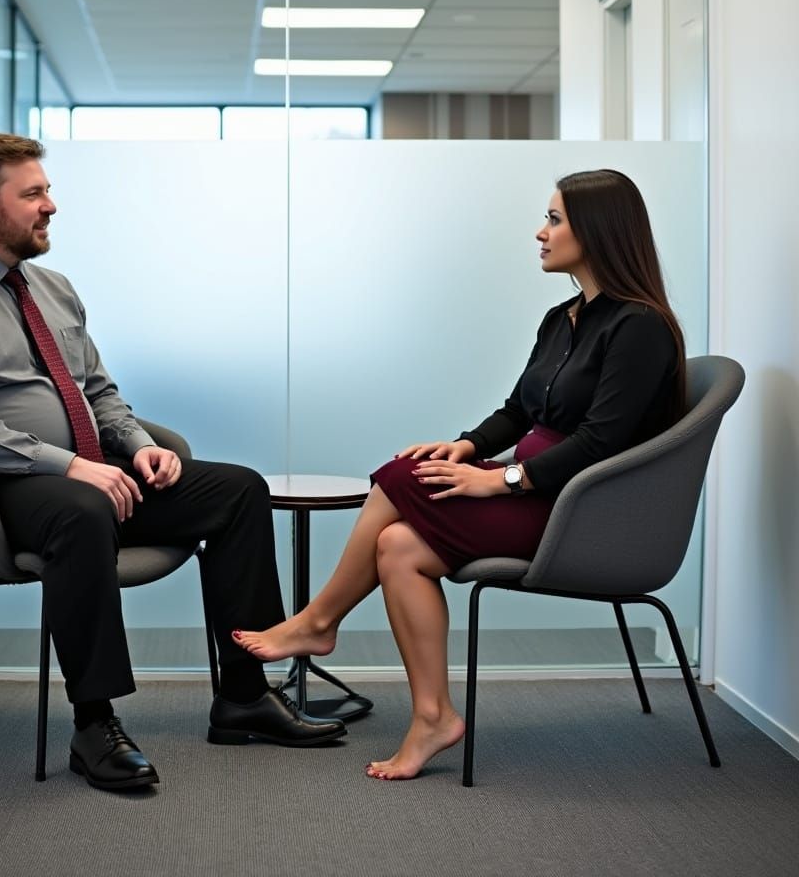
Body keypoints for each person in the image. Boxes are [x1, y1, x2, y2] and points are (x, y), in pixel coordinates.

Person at [0, 133, 345, 793]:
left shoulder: (52, 288)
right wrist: (66, 465)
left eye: (48, 190)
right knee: (84, 508)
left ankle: (244, 696)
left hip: (92, 477)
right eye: (33, 193)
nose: (51, 205)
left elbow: (96, 390)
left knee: (238, 490)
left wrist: (136, 444)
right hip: (0, 493)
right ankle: (94, 725)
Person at [233, 168, 685, 781]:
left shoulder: (640, 326)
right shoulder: (563, 318)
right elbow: (519, 410)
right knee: (398, 543)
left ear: (599, 231)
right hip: (538, 483)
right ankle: (433, 716)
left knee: (398, 475)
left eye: (554, 220)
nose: (540, 232)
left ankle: (318, 622)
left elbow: (600, 442)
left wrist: (501, 480)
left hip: (582, 508)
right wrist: (465, 447)